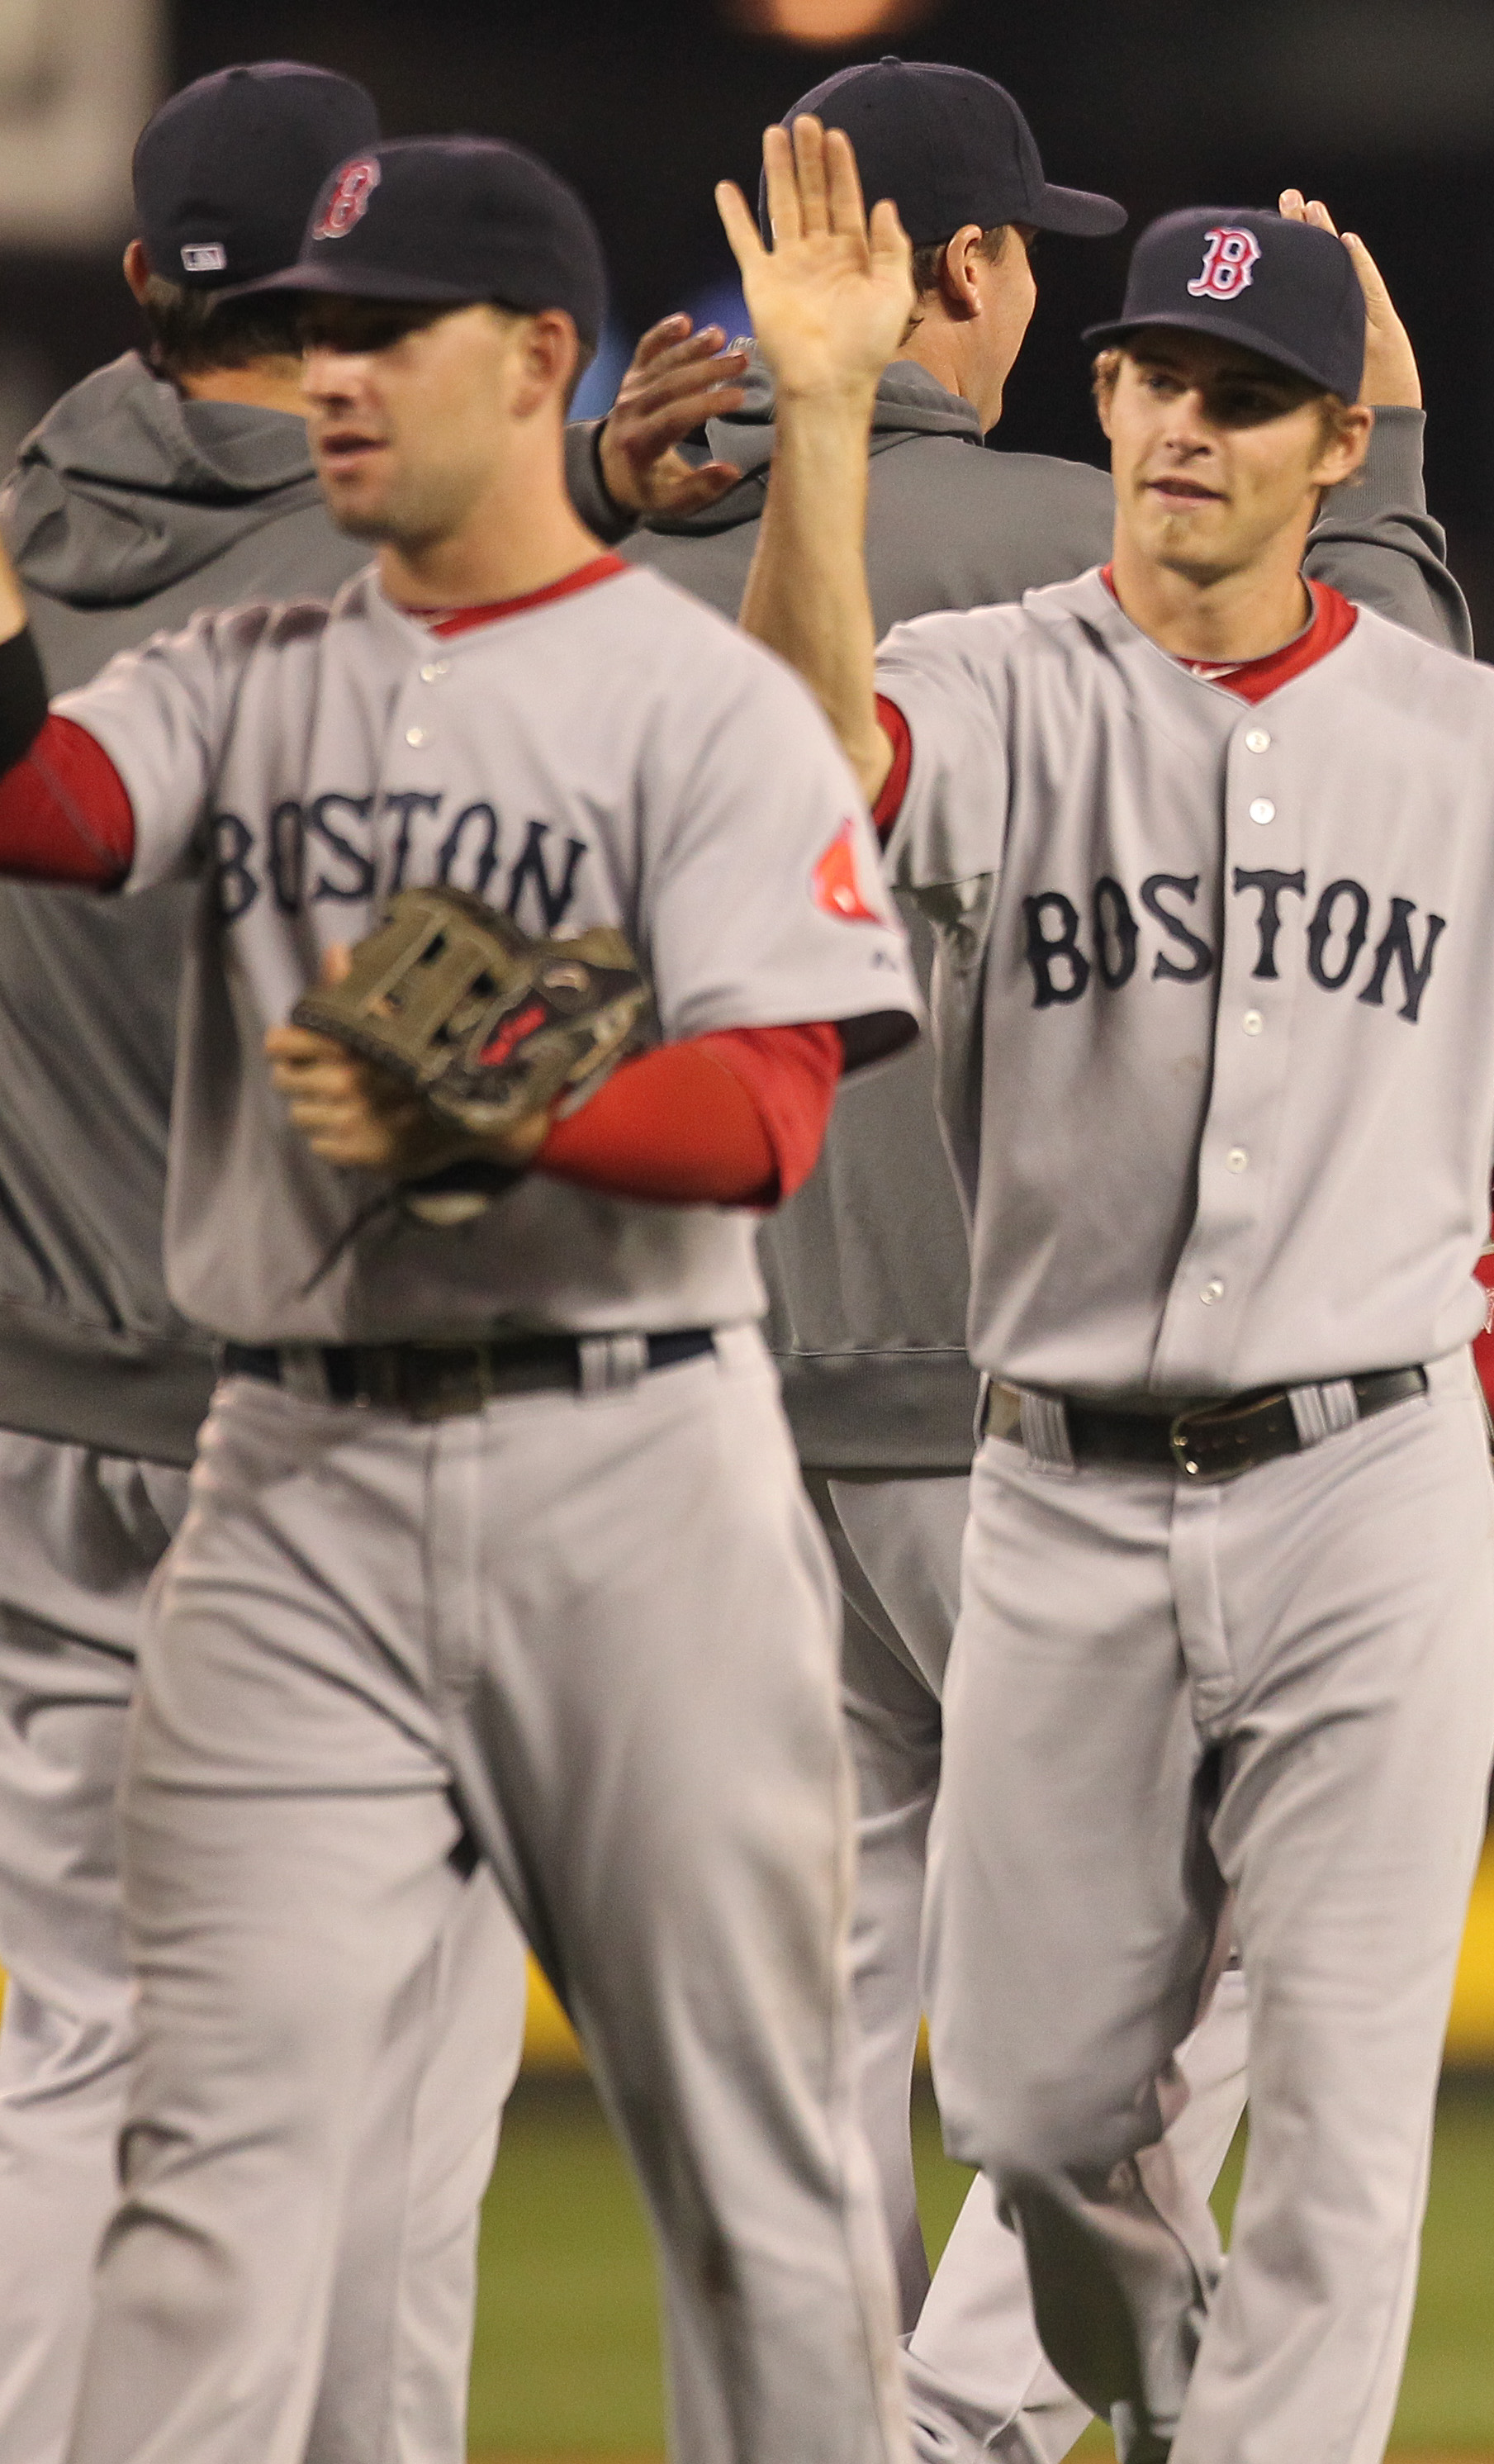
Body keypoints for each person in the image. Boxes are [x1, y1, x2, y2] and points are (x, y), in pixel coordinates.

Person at [730, 131, 1494, 2464]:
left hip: (1367, 1496)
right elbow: (802, 765)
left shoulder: (1461, 742)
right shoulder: (986, 687)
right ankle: (1170, 2394)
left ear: (1331, 446)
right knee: (1045, 2117)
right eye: (1153, 375)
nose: (1183, 422)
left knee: (1353, 2140)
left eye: (1241, 390)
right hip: (1054, 1490)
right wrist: (818, 426)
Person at [0, 135, 925, 2464]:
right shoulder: (246, 674)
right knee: (206, 2179)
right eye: (313, 327)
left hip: (631, 1467)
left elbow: (770, 1115)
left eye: (381, 329)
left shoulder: (702, 699)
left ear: (533, 360)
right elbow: (47, 812)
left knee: (751, 2174)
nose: (328, 374)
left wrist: (513, 1094)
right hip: (288, 1481)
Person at [586, 59, 1468, 2461]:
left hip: (705, 1402)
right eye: (1028, 263)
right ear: (962, 276)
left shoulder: (620, 561)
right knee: (1200, 1985)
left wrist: (606, 478)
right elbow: (1396, 718)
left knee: (794, 2043)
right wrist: (1368, 435)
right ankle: (981, 2419)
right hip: (1027, 1411)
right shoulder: (1095, 547)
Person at [0, 65, 539, 2464]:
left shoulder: (19, 541)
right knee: (395, 2077)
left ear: (144, 288)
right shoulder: (395, 613)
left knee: (65, 2050)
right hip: (336, 1441)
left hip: (33, 1423)